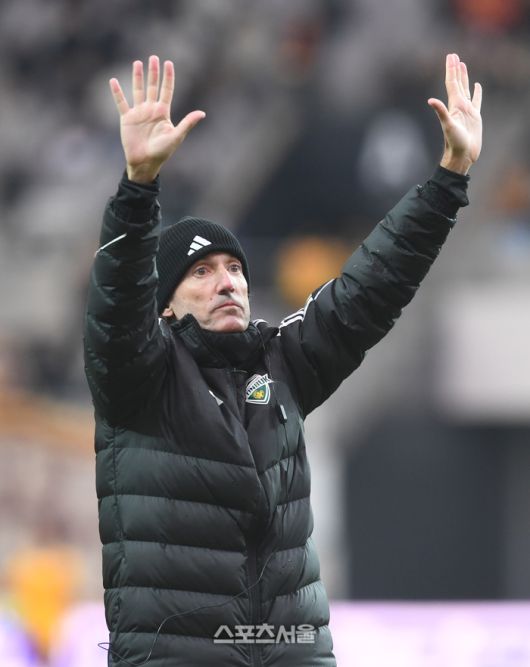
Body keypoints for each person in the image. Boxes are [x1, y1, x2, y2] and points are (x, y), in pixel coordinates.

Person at [84, 53, 482, 666]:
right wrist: (138, 189)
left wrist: (450, 178)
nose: (227, 282)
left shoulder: (281, 362)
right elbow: (115, 305)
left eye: (234, 268)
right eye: (201, 272)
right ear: (162, 305)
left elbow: (372, 285)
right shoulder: (139, 377)